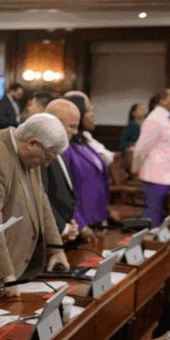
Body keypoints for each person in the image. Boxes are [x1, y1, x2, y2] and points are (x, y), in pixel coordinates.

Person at [0, 113, 70, 299]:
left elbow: (41, 203)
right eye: (48, 156)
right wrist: (7, 277)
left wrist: (56, 249)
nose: (47, 163)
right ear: (32, 143)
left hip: (19, 270)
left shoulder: (26, 155)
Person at [132, 89, 170, 226]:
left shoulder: (166, 118)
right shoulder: (154, 119)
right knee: (153, 215)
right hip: (155, 175)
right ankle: (149, 244)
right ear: (162, 101)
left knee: (160, 215)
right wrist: (135, 169)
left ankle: (156, 242)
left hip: (165, 174)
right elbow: (142, 148)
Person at [63, 95, 111, 235]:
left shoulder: (84, 142)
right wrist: (81, 224)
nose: (93, 114)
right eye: (90, 110)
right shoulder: (66, 148)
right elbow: (64, 192)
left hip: (97, 217)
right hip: (80, 222)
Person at [42, 99, 81, 242]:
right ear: (56, 123)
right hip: (48, 235)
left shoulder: (61, 148)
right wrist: (62, 227)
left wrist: (70, 222)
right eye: (72, 126)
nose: (76, 132)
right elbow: (41, 196)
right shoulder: (41, 152)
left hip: (63, 230)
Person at [64, 90, 115, 165]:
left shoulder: (85, 136)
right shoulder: (67, 145)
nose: (93, 114)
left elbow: (109, 157)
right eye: (89, 110)